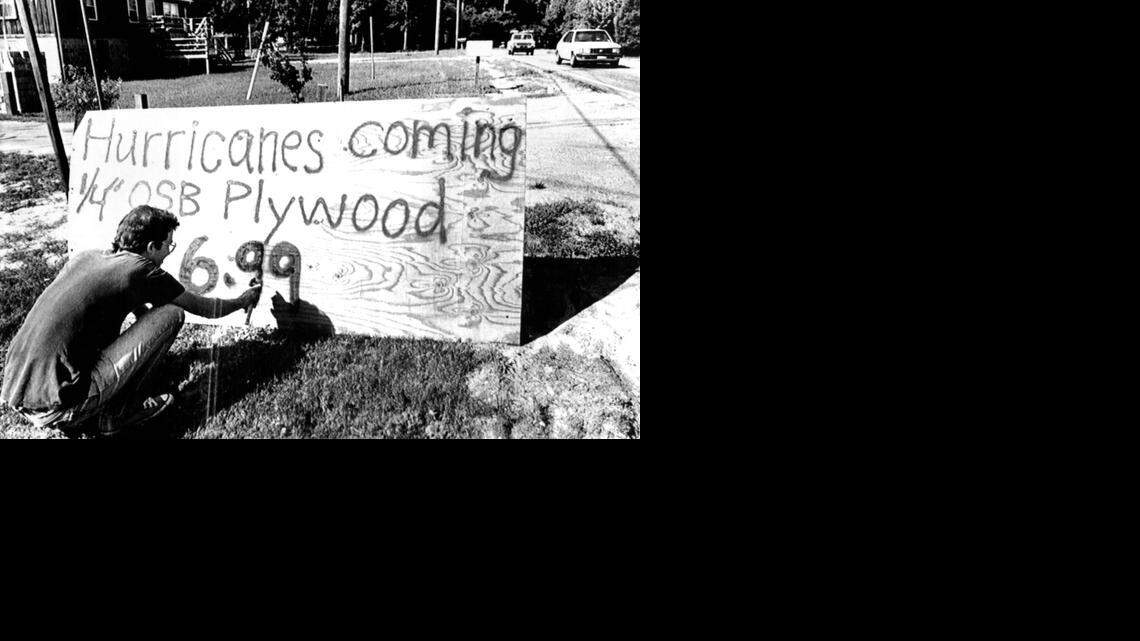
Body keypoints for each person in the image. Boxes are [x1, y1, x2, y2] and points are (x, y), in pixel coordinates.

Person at [0, 205, 261, 438]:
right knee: (172, 314)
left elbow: (123, 295)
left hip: (19, 393)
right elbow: (206, 308)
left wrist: (141, 320)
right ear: (151, 247)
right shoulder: (141, 269)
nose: (169, 252)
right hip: (64, 406)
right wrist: (243, 299)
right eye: (168, 245)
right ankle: (118, 413)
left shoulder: (87, 258)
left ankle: (94, 405)